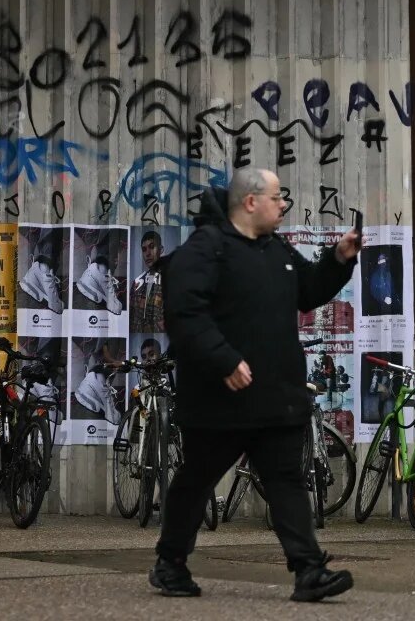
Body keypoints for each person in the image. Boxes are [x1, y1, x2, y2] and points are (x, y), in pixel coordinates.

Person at [151, 168, 359, 602]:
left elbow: (308, 290)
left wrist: (338, 260)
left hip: (275, 396)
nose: (283, 205)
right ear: (250, 202)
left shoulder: (276, 249)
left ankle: (309, 571)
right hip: (218, 399)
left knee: (286, 479)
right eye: (277, 197)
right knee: (197, 480)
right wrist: (223, 359)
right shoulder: (205, 249)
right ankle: (170, 563)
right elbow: (185, 314)